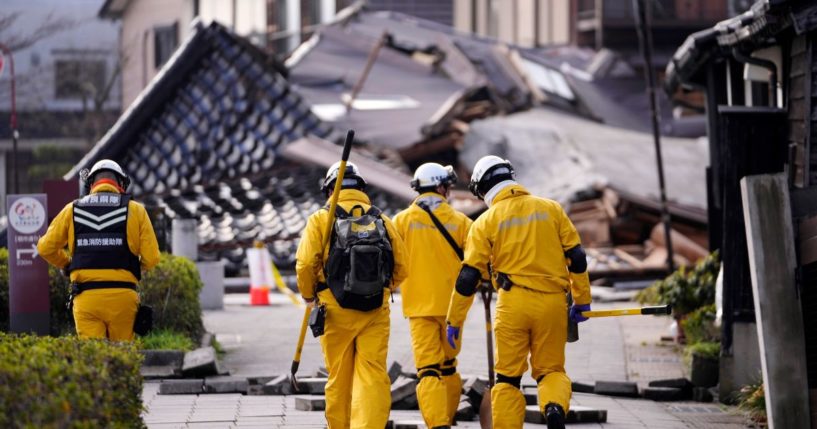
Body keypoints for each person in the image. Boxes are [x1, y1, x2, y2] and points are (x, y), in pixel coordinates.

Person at [445, 155, 592, 429]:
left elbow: (468, 278)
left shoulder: (485, 222)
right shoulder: (552, 209)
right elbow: (578, 257)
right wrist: (582, 301)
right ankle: (554, 408)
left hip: (513, 305)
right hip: (552, 304)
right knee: (551, 370)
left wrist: (454, 320)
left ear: (482, 189)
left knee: (508, 379)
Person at [295, 161, 408, 429]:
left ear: (329, 190)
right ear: (361, 187)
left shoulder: (321, 219)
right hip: (375, 309)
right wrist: (384, 288)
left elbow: (304, 264)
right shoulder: (381, 219)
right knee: (372, 375)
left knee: (340, 376)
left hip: (334, 309)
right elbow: (403, 266)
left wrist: (309, 296)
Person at [37, 159, 160, 341]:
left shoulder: (72, 210)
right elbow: (152, 258)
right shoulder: (136, 211)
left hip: (86, 299)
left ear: (91, 184)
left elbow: (45, 248)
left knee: (94, 358)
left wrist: (67, 264)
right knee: (124, 358)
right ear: (120, 184)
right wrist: (135, 267)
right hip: (123, 299)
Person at [392, 163, 472, 429]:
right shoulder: (462, 222)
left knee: (428, 369)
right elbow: (477, 263)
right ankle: (448, 417)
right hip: (454, 310)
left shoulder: (400, 222)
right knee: (449, 365)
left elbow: (391, 261)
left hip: (419, 308)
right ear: (441, 187)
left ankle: (438, 424)